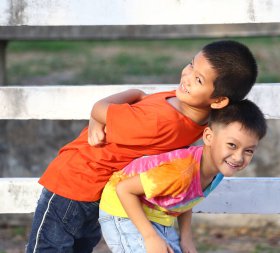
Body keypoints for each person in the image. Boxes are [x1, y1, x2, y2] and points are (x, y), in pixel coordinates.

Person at [26, 40, 258, 252]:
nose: (187, 77)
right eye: (190, 65)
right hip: (75, 181)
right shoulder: (175, 118)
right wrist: (101, 116)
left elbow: (113, 105)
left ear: (218, 100)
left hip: (93, 187)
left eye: (198, 80)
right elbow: (100, 109)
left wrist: (111, 109)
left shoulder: (173, 115)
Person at [99, 99, 267, 253]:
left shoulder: (216, 172)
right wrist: (150, 236)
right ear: (208, 137)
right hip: (122, 211)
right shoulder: (181, 171)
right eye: (232, 145)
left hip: (159, 215)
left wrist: (186, 238)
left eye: (249, 151)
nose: (238, 157)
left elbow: (186, 198)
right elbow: (124, 189)